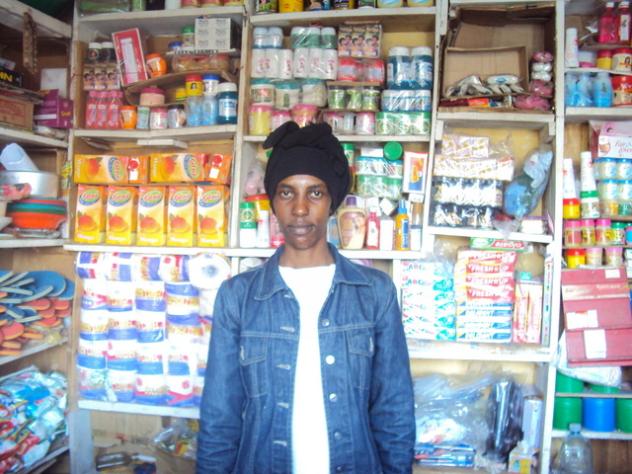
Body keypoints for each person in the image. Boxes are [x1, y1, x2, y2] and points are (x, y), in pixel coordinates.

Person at [197, 122, 415, 473]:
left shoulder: (375, 293)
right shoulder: (238, 296)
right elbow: (220, 417)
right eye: (287, 193)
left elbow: (394, 410)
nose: (300, 209)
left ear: (332, 202)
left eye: (314, 193)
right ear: (273, 201)